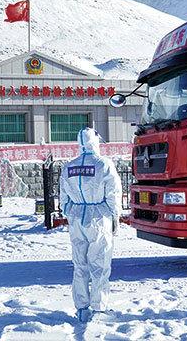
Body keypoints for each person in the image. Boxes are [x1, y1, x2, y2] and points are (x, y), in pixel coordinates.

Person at [60, 127, 122, 323]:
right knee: (100, 265)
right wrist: (114, 218)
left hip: (77, 217)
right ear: (95, 142)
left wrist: (70, 211)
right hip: (98, 218)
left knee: (80, 264)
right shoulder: (104, 165)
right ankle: (99, 307)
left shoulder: (68, 166)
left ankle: (81, 307)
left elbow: (63, 198)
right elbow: (114, 195)